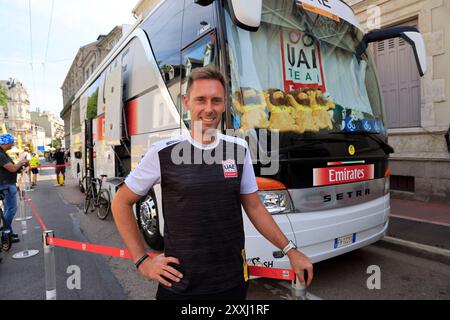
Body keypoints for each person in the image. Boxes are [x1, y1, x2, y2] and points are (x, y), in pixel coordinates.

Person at [112, 66, 313, 300]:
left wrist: (290, 250)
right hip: (181, 286)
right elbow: (121, 202)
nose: (209, 109)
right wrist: (142, 260)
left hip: (233, 283)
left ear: (224, 104)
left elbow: (255, 207)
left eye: (216, 100)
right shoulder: (163, 152)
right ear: (187, 103)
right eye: (201, 100)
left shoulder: (239, 149)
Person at [0, 133, 29, 243]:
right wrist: (20, 163)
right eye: (12, 142)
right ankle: (5, 232)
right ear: (6, 142)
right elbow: (11, 168)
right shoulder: (1, 154)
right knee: (11, 209)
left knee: (8, 209)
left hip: (7, 183)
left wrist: (18, 168)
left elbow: (11, 168)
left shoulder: (4, 153)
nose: (13, 144)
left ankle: (8, 233)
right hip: (5, 184)